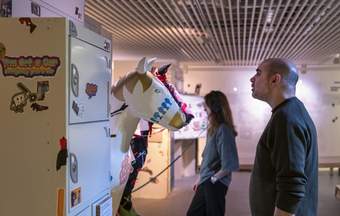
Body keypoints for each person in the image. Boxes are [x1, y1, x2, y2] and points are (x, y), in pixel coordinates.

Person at [249, 58, 318, 216]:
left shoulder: (286, 118)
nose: (252, 79)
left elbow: (292, 187)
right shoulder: (291, 112)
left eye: (258, 73)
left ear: (275, 79)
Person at [187, 90, 239, 216]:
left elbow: (230, 164)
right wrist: (200, 179)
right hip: (206, 181)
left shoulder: (223, 130)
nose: (205, 112)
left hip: (214, 183)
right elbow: (207, 159)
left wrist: (213, 179)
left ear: (215, 108)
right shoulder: (213, 129)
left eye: (206, 109)